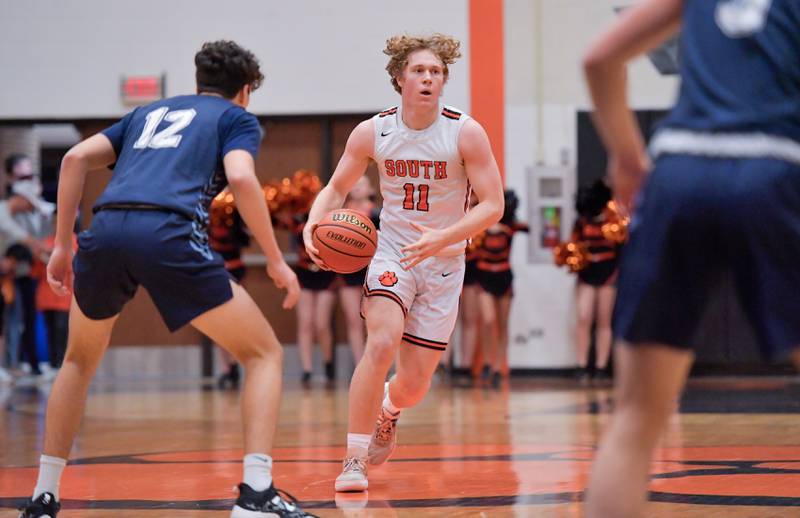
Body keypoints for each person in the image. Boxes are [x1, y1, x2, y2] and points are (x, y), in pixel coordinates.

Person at [18, 40, 316, 518]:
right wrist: (276, 262)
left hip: (107, 229)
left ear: (199, 83)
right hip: (167, 231)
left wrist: (59, 246)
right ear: (244, 92)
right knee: (263, 354)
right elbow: (240, 179)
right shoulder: (235, 118)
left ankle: (42, 496)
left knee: (76, 361)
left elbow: (74, 159)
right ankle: (257, 493)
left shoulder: (147, 112)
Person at [582, 1, 800, 517]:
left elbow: (599, 59)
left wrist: (628, 157)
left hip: (680, 170)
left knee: (635, 417)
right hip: (773, 165)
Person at [303, 33, 504, 492]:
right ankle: (353, 459)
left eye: (436, 72)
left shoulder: (464, 133)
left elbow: (492, 206)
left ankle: (388, 414)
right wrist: (314, 220)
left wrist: (445, 237)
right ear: (399, 78)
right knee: (381, 343)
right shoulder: (373, 132)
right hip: (392, 255)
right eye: (419, 70)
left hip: (445, 262)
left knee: (414, 384)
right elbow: (336, 188)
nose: (429, 78)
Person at [475, 189, 528, 387]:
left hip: (504, 277)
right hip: (484, 275)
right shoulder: (481, 223)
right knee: (488, 321)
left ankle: (498, 367)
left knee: (502, 323)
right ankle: (488, 362)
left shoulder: (511, 226)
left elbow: (532, 227)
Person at [571, 179, 620, 381]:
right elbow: (573, 246)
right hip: (587, 273)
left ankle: (600, 367)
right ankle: (582, 365)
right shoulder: (581, 222)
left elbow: (623, 247)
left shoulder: (614, 220)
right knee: (583, 317)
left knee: (604, 320)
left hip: (608, 273)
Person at [289, 212, 337, 385]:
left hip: (325, 272)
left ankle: (328, 361)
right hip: (304, 271)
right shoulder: (294, 218)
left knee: (321, 323)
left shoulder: (328, 214)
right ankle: (307, 369)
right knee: (305, 323)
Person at [337, 175, 379, 367]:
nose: (359, 187)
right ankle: (359, 364)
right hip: (349, 272)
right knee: (353, 320)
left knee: (374, 321)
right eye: (356, 183)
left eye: (363, 183)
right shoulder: (339, 214)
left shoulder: (376, 215)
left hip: (372, 272)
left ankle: (376, 364)